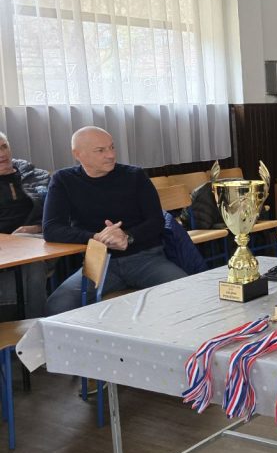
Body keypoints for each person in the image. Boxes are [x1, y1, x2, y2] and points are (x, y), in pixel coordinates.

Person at [43, 126, 187, 315]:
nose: (110, 155)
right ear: (78, 154)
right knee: (57, 305)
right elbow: (52, 229)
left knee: (185, 291)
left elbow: (156, 221)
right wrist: (97, 237)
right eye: (100, 150)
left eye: (112, 147)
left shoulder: (135, 176)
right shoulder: (64, 180)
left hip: (145, 258)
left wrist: (127, 236)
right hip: (98, 262)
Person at [0, 131, 51, 318]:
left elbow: (61, 216)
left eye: (4, 147)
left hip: (39, 240)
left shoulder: (38, 177)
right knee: (32, 264)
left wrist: (37, 228)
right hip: (4, 249)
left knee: (32, 258)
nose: (2, 154)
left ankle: (29, 321)